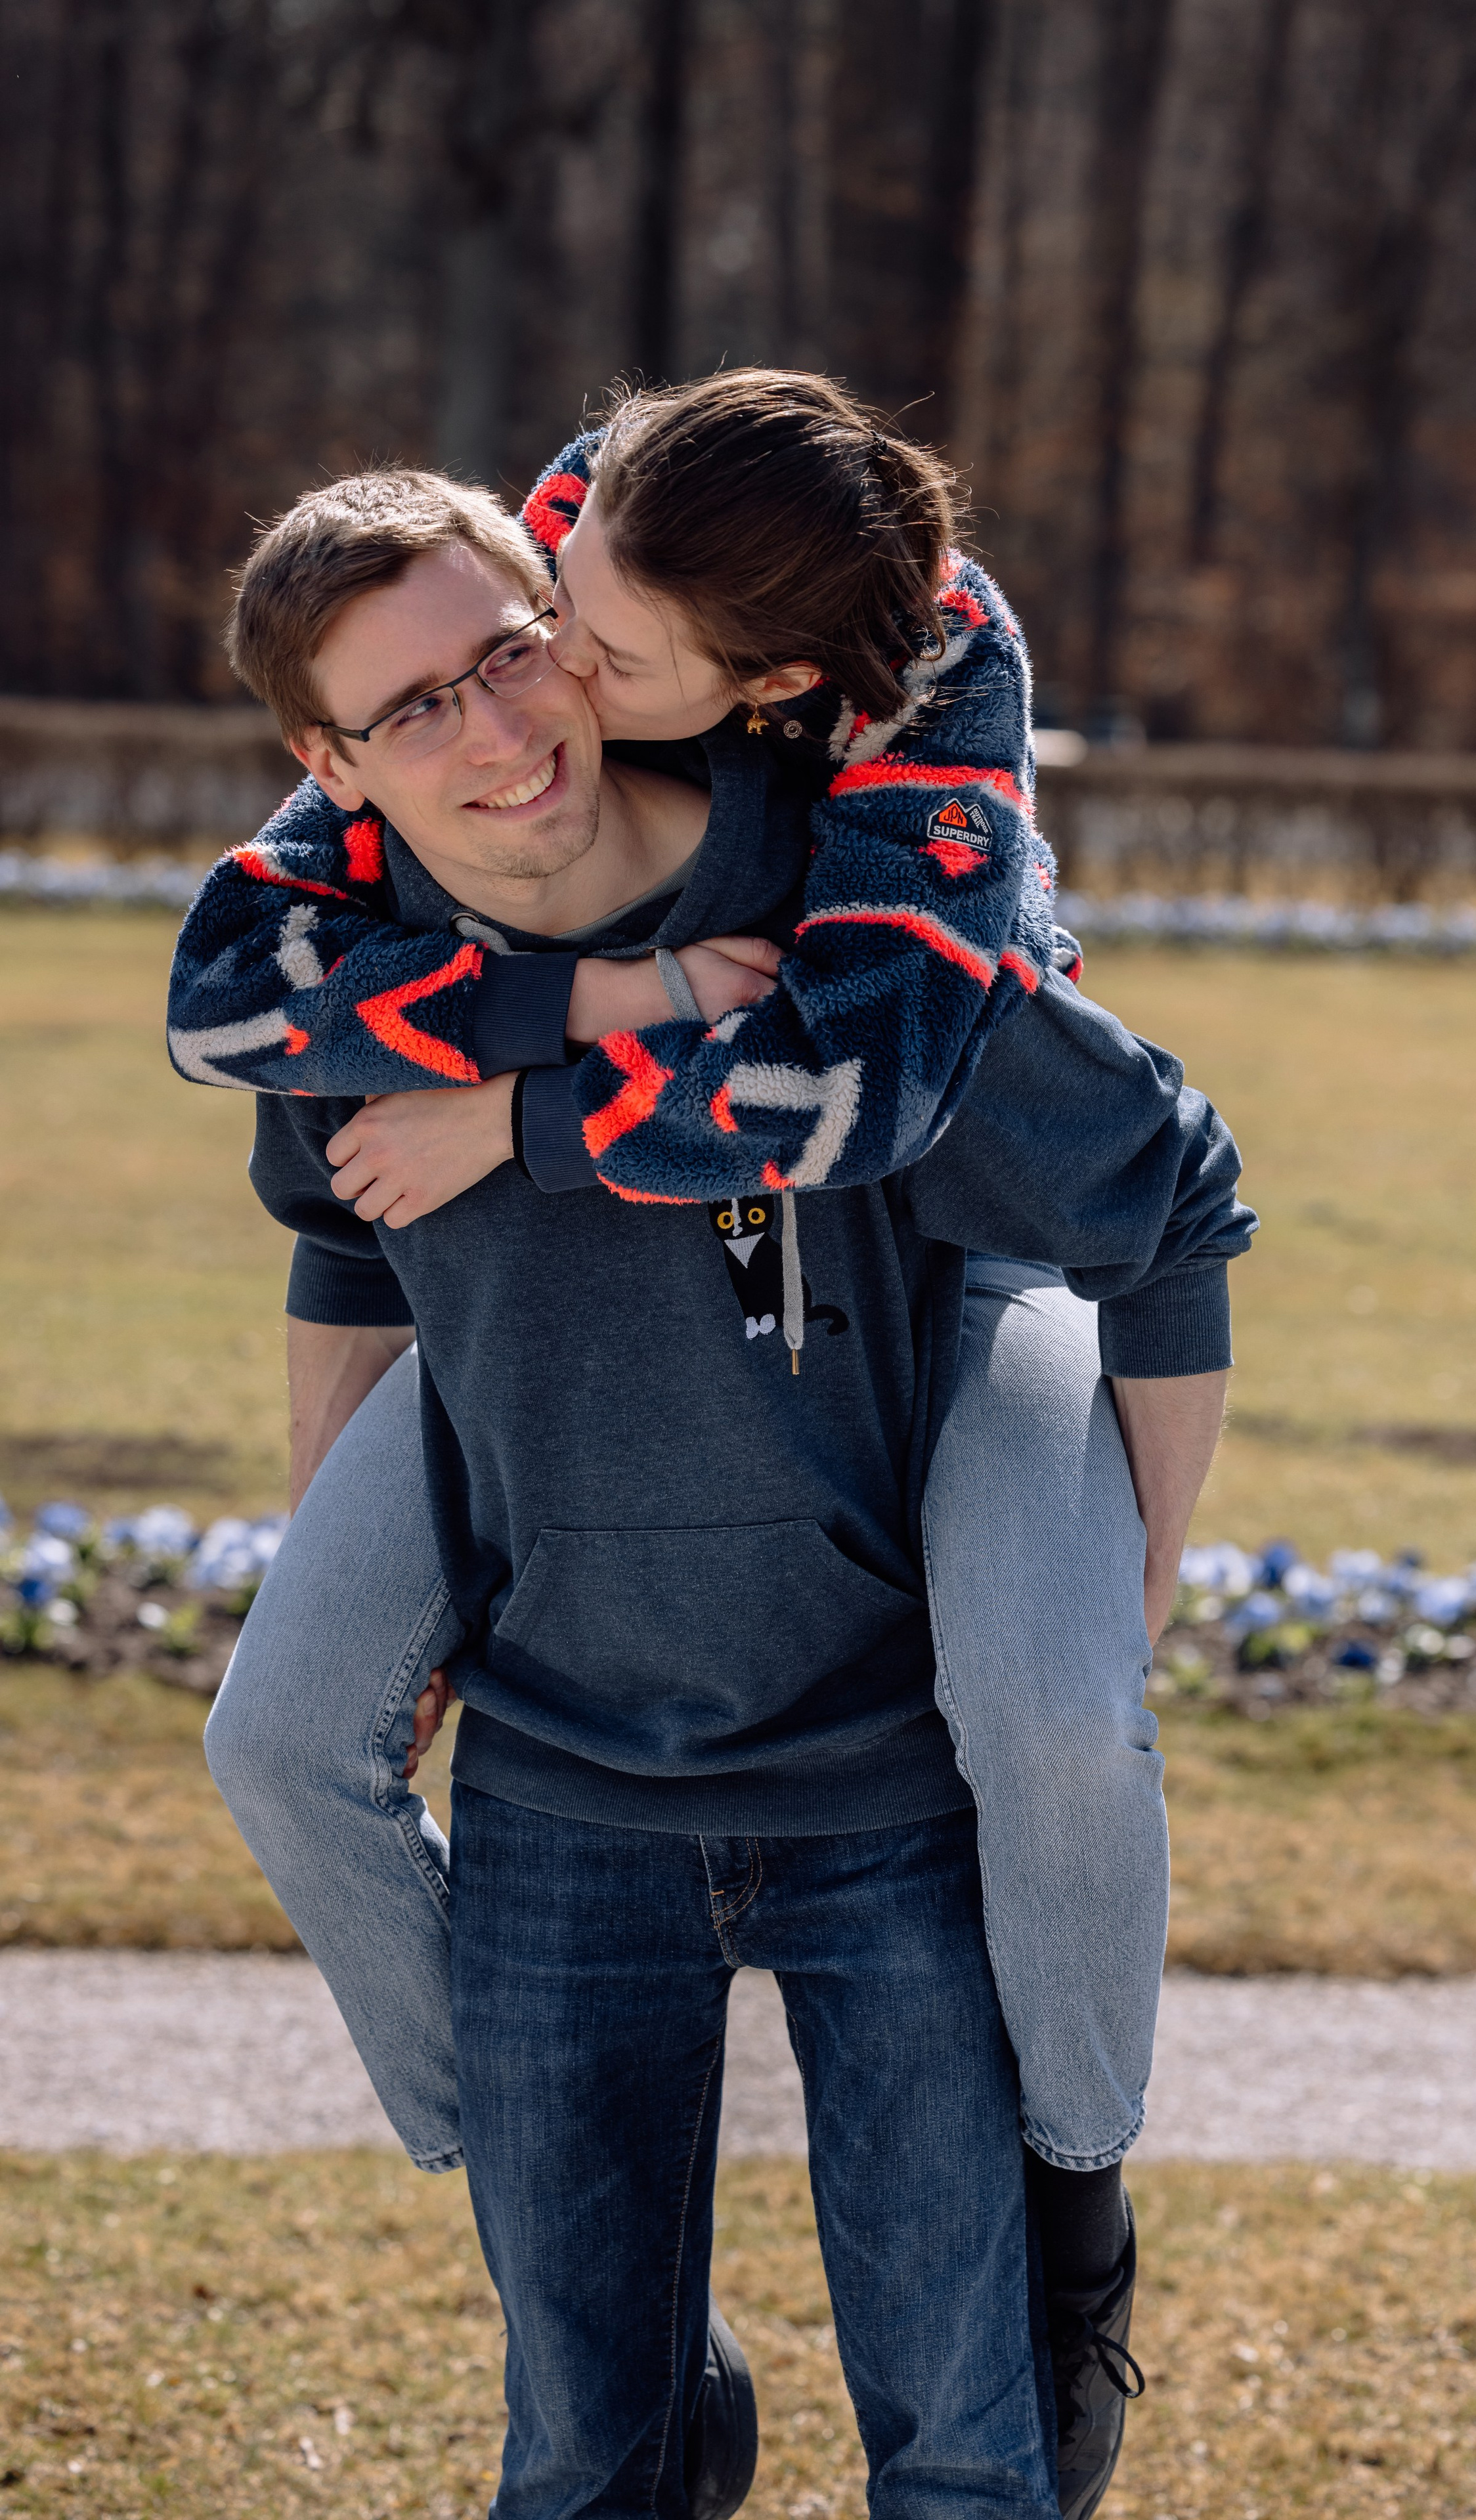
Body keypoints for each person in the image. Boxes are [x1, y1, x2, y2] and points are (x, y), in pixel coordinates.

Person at [181, 402, 1251, 2517]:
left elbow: (1120, 1172)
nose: (526, 707)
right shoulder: (361, 928)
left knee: (1055, 1714)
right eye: (429, 699)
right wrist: (371, 1552)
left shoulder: (873, 881)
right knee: (282, 1732)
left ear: (755, 681)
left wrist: (1143, 1558)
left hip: (934, 1381)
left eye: (545, 652)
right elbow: (323, 1197)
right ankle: (546, 2193)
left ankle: (1078, 2206)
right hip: (575, 1745)